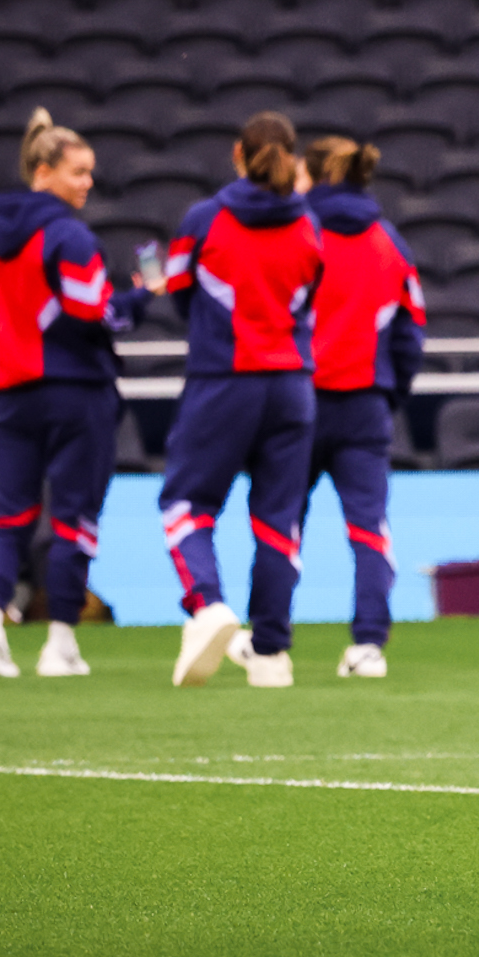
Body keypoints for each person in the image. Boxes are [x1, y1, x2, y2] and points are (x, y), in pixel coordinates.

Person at [0, 109, 150, 679]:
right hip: (76, 394)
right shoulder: (69, 235)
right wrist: (141, 299)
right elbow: (92, 313)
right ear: (43, 171)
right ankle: (60, 643)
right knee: (74, 519)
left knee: (8, 515)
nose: (88, 184)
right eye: (79, 172)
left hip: (12, 396)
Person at [159, 111, 324, 691]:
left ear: (238, 154)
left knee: (185, 505)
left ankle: (208, 606)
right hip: (292, 385)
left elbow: (178, 292)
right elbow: (310, 297)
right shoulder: (308, 225)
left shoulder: (203, 219)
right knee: (279, 522)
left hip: (223, 379)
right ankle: (272, 654)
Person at [281, 135, 427, 681]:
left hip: (297, 398)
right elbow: (413, 327)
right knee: (369, 528)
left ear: (312, 177)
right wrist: (393, 388)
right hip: (366, 403)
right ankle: (369, 646)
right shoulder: (388, 241)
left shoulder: (295, 232)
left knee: (280, 524)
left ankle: (269, 644)